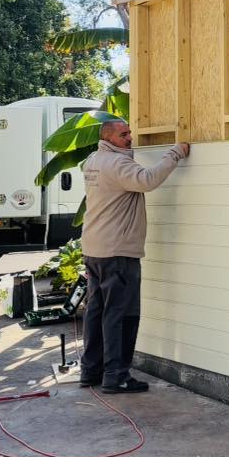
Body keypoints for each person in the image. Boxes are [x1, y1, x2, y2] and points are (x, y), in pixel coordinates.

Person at [78, 119, 190, 393]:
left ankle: (91, 371)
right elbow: (147, 180)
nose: (130, 138)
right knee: (121, 314)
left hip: (94, 249)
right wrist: (175, 152)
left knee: (96, 311)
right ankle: (116, 376)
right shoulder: (117, 165)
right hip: (117, 252)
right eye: (124, 134)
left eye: (129, 133)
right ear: (109, 137)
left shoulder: (94, 160)